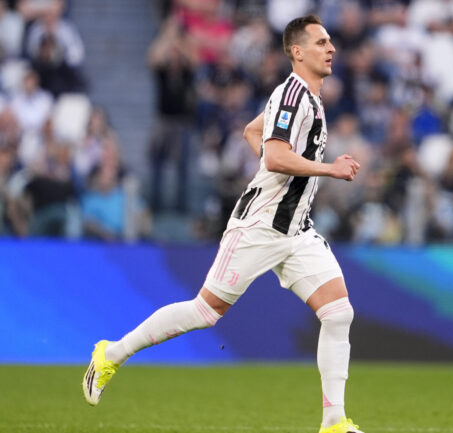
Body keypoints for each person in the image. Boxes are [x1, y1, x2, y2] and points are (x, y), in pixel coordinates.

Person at [82, 15, 365, 433]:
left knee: (339, 312)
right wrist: (326, 169)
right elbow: (272, 154)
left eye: (330, 41)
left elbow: (254, 132)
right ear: (297, 52)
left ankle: (334, 423)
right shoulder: (292, 97)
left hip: (297, 230)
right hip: (260, 226)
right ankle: (112, 354)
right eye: (321, 42)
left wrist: (279, 175)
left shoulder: (308, 98)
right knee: (204, 312)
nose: (331, 48)